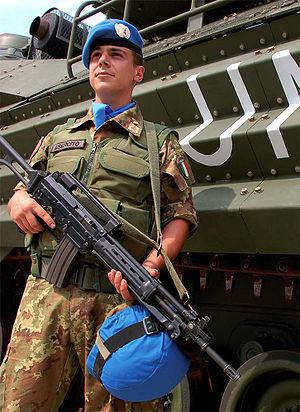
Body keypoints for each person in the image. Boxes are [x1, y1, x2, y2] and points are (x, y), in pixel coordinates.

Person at [0, 19, 198, 411]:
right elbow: (25, 184)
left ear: (137, 73)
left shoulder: (159, 143)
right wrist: (18, 202)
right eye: (96, 56)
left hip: (114, 303)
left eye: (116, 55)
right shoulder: (58, 136)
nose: (102, 61)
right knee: (20, 404)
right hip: (45, 294)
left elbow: (182, 214)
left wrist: (152, 266)